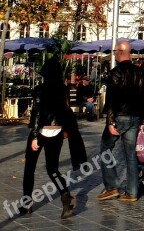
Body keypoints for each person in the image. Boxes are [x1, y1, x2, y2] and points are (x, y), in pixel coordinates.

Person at [18, 58, 78, 219]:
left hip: (42, 130)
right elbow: (66, 111)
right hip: (57, 131)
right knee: (52, 169)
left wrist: (35, 136)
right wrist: (65, 130)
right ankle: (65, 195)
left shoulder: (39, 89)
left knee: (29, 168)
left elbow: (37, 112)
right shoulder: (63, 89)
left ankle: (26, 203)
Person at [98, 40, 144, 203]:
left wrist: (110, 122)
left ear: (119, 52)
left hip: (120, 117)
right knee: (130, 154)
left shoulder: (116, 73)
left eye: (114, 51)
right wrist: (142, 119)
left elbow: (111, 100)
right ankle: (132, 191)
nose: (114, 54)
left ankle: (112, 186)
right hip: (135, 117)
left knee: (105, 147)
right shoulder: (139, 72)